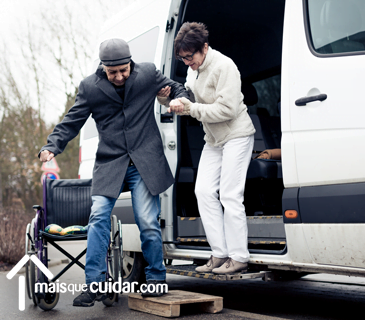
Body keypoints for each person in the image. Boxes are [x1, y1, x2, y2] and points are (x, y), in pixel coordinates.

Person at [39, 38, 189, 306]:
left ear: (130, 63)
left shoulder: (147, 74)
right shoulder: (89, 87)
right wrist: (52, 146)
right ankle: (94, 283)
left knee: (147, 220)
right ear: (103, 68)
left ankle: (156, 278)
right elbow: (72, 121)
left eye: (123, 70)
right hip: (111, 163)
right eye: (113, 72)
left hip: (144, 161)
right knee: (98, 218)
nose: (119, 76)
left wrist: (179, 98)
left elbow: (177, 87)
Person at [161, 22, 256, 274]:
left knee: (229, 195)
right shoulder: (194, 70)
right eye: (182, 59)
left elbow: (227, 110)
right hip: (213, 139)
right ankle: (219, 253)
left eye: (189, 57)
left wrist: (190, 108)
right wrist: (167, 98)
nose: (186, 63)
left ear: (204, 47)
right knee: (203, 191)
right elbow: (190, 99)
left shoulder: (224, 66)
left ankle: (238, 257)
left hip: (237, 135)